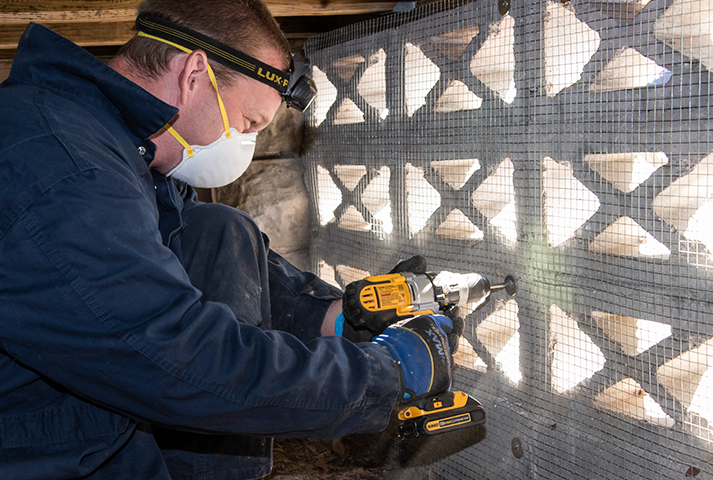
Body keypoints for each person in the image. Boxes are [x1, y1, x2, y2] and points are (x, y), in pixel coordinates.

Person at [0, 1, 458, 479]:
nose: (245, 142)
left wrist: (337, 318)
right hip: (40, 454)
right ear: (195, 73)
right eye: (248, 122)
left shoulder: (103, 139)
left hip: (82, 415)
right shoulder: (65, 173)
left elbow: (191, 246)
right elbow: (175, 358)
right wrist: (384, 371)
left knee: (219, 228)